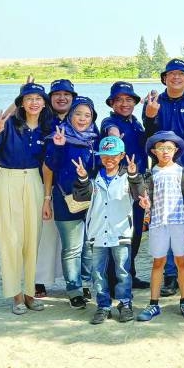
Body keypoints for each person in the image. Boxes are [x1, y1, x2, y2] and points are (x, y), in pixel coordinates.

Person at [0, 82, 52, 315]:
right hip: (7, 180)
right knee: (10, 240)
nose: (34, 102)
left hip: (34, 181)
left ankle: (30, 293)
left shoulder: (47, 128)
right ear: (21, 103)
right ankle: (16, 295)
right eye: (29, 98)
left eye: (38, 98)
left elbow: (47, 167)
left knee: (32, 239)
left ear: (44, 103)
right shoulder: (9, 125)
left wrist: (47, 198)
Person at [71, 136, 143, 324]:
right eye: (104, 156)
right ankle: (103, 306)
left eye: (113, 156)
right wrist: (82, 178)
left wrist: (134, 175)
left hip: (120, 232)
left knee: (123, 271)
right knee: (98, 273)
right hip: (97, 233)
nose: (109, 159)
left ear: (122, 156)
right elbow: (80, 197)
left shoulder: (128, 177)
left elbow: (139, 194)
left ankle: (125, 304)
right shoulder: (93, 177)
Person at [43, 96, 100, 308]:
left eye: (87, 115)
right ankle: (74, 289)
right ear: (69, 115)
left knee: (88, 246)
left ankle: (85, 283)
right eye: (78, 114)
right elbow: (50, 166)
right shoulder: (59, 136)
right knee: (72, 248)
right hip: (66, 199)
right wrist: (58, 147)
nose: (82, 119)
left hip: (91, 199)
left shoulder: (95, 139)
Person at [135, 131, 184, 322]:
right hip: (158, 224)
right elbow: (147, 202)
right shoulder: (149, 175)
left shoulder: (183, 173)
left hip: (180, 224)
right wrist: (145, 205)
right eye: (161, 148)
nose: (165, 152)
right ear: (154, 151)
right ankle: (153, 303)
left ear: (176, 150)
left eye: (169, 148)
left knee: (182, 262)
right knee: (158, 263)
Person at [100, 81, 149, 290]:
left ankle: (130, 274)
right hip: (119, 183)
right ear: (112, 103)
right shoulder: (109, 121)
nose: (124, 103)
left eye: (129, 99)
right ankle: (114, 280)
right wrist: (114, 138)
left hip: (138, 182)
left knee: (136, 231)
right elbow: (111, 131)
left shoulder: (136, 122)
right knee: (119, 232)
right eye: (119, 100)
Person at [33, 78, 76, 299]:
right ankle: (39, 279)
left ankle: (74, 280)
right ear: (50, 98)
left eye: (66, 94)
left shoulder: (79, 118)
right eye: (57, 94)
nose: (62, 98)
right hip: (46, 183)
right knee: (46, 234)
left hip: (73, 185)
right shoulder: (42, 120)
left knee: (73, 237)